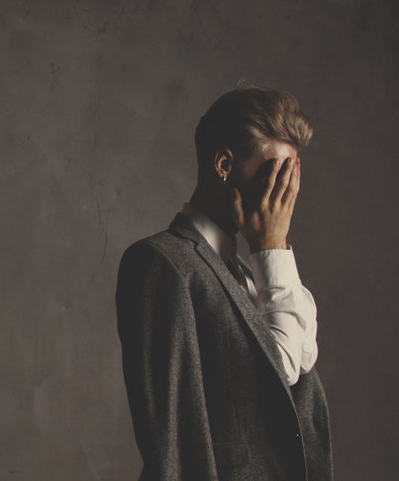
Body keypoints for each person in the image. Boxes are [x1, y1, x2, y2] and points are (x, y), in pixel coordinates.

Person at [115, 87, 332, 480]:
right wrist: (271, 246)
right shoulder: (162, 263)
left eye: (293, 176)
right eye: (275, 174)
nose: (286, 193)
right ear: (224, 165)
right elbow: (174, 439)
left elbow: (302, 357)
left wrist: (272, 252)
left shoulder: (251, 270)